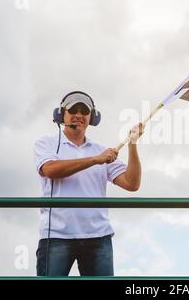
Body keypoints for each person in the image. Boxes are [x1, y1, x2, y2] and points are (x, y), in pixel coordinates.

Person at [33, 91, 144, 276]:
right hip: (56, 236)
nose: (78, 114)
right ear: (61, 115)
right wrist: (95, 160)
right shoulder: (46, 143)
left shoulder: (102, 151)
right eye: (73, 110)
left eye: (84, 111)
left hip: (98, 237)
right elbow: (50, 170)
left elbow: (132, 183)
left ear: (92, 117)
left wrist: (133, 145)